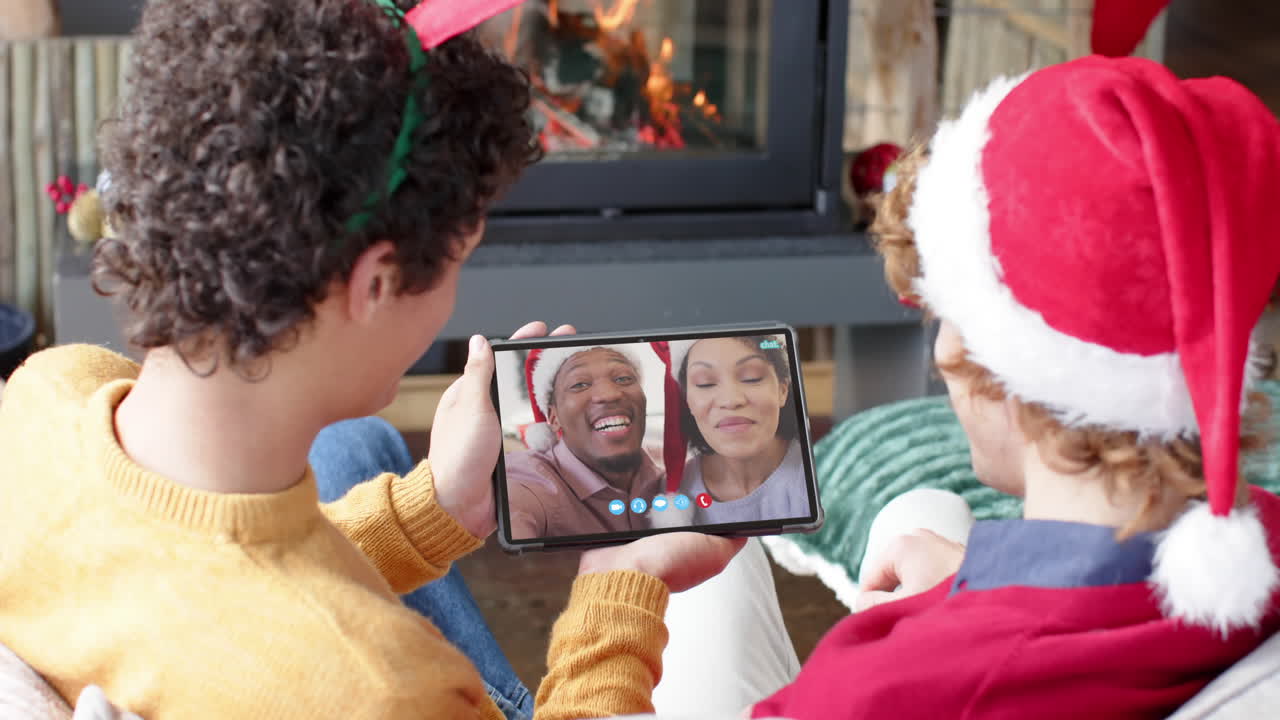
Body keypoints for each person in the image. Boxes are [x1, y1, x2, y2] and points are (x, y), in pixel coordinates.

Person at [0, 0, 745, 718]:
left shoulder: (48, 393)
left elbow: (186, 581)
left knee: (357, 448)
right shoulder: (386, 690)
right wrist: (620, 582)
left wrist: (440, 509)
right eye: (463, 260)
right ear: (377, 282)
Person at [653, 54, 1280, 718]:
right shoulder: (1258, 547)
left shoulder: (884, 692)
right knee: (918, 509)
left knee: (680, 555)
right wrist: (965, 584)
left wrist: (613, 599)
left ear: (964, 354)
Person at [663, 335, 809, 526]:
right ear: (688, 401)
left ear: (783, 390)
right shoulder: (674, 492)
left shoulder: (818, 481)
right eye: (705, 383)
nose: (730, 400)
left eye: (751, 378)